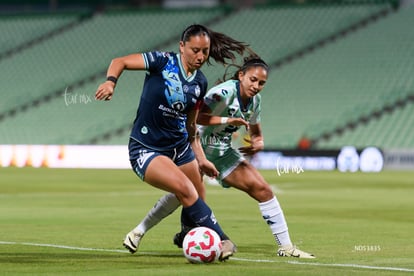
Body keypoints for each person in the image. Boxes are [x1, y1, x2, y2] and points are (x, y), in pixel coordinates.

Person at [125, 56, 315, 259]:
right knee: (184, 191)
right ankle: (140, 231)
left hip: (222, 152)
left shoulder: (255, 101)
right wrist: (227, 119)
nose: (256, 86)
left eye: (261, 83)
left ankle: (285, 247)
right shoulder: (224, 92)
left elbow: (255, 130)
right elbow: (196, 117)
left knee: (262, 189)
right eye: (253, 79)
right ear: (241, 75)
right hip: (197, 151)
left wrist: (258, 141)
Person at [94, 24, 252, 261]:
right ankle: (222, 239)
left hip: (180, 147)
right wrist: (110, 82)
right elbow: (121, 61)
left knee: (196, 190)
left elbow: (191, 127)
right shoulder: (161, 61)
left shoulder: (200, 82)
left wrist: (201, 158)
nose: (200, 56)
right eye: (195, 50)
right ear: (182, 46)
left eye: (205, 51)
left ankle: (185, 233)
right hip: (147, 148)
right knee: (185, 189)